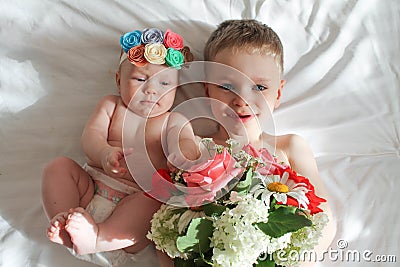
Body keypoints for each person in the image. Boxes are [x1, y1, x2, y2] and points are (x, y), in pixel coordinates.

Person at [41, 27, 199, 267]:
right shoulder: (112, 106)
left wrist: (182, 155)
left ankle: (97, 238)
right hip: (89, 189)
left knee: (156, 201)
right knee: (59, 167)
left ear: (176, 90)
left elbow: (186, 140)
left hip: (131, 210)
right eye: (140, 79)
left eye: (164, 82)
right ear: (118, 80)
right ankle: (64, 219)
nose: (151, 89)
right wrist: (104, 153)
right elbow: (91, 136)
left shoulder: (172, 120)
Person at [202, 19, 336, 266]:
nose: (241, 100)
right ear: (207, 90)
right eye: (227, 86)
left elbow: (323, 219)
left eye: (259, 87)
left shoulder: (290, 147)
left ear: (278, 94)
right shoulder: (196, 148)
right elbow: (171, 220)